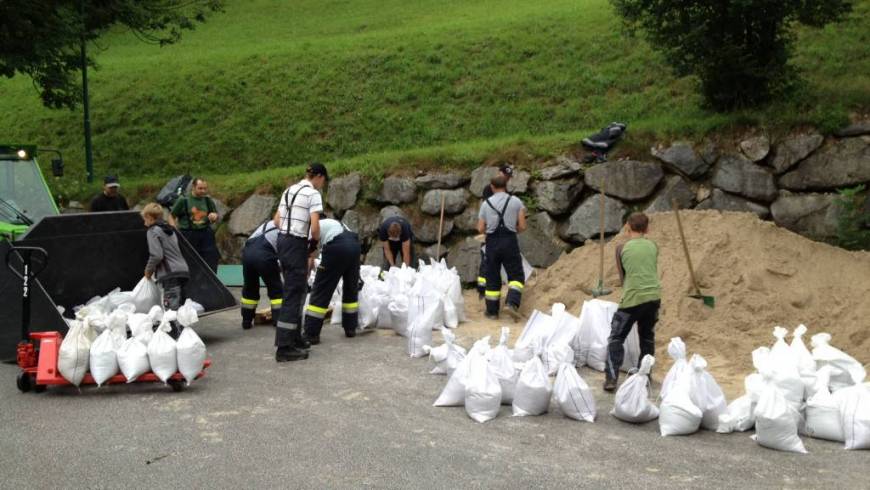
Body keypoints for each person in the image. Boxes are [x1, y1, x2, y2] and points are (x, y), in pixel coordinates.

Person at [272, 163, 328, 362]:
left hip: (282, 242)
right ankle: (284, 348)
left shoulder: (289, 190)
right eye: (323, 181)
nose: (322, 185)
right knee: (294, 294)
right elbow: (315, 227)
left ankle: (295, 338)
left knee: (294, 289)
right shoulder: (312, 194)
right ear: (319, 177)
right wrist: (313, 246)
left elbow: (277, 221)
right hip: (296, 244)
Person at [603, 212, 661, 392]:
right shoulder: (654, 246)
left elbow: (624, 278)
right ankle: (646, 375)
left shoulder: (621, 248)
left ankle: (611, 379)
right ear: (647, 229)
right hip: (653, 297)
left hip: (632, 299)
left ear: (627, 227)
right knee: (647, 337)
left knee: (616, 338)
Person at [302, 218, 361, 344]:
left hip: (337, 247)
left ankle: (311, 334)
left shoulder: (313, 228)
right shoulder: (333, 223)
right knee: (351, 287)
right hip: (355, 246)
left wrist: (305, 276)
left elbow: (309, 255)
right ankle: (350, 328)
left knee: (321, 290)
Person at [477, 175, 526, 321]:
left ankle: (492, 312)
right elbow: (523, 226)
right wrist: (512, 229)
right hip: (510, 241)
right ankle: (511, 303)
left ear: (492, 187)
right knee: (516, 275)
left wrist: (489, 229)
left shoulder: (486, 204)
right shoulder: (516, 201)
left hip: (491, 243)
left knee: (492, 276)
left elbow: (480, 228)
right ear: (506, 185)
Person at [141, 203, 189, 339]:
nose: (144, 222)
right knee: (180, 308)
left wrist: (148, 271)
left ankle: (175, 340)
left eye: (145, 218)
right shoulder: (170, 229)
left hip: (170, 274)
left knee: (171, 310)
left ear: (150, 217)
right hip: (183, 271)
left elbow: (156, 255)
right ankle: (185, 339)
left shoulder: (153, 231)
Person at [169, 178, 221, 273]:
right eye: (200, 188)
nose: (203, 191)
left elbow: (215, 215)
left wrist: (214, 217)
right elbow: (171, 216)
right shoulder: (183, 200)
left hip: (206, 233)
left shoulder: (208, 200)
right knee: (190, 260)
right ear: (193, 187)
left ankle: (210, 283)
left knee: (211, 257)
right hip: (188, 234)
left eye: (205, 188)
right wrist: (174, 229)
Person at [477, 163, 513, 299]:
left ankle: (490, 288)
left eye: (508, 176)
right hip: (488, 230)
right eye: (505, 175)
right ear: (499, 173)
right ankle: (482, 289)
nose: (507, 178)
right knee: (486, 259)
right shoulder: (489, 189)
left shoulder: (507, 193)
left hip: (499, 232)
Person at [239, 220, 283, 330]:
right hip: (265, 255)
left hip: (247, 253)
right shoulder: (287, 227)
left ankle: (246, 321)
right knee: (276, 289)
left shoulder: (269, 223)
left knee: (250, 288)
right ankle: (278, 321)